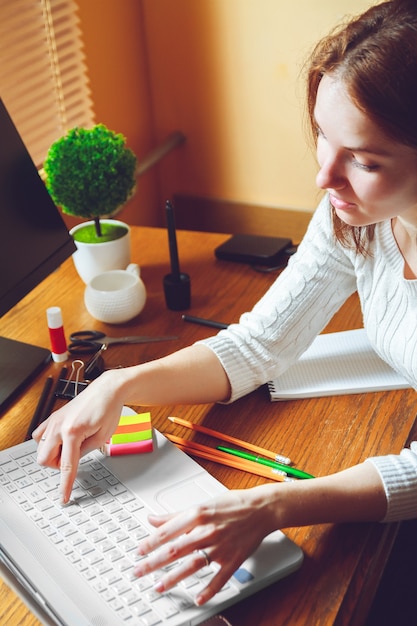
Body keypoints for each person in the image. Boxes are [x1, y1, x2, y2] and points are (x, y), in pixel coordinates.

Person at [34, 0, 417, 607]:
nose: (324, 176)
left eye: (365, 160)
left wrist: (276, 503)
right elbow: (261, 344)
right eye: (323, 135)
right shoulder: (356, 216)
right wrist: (120, 385)